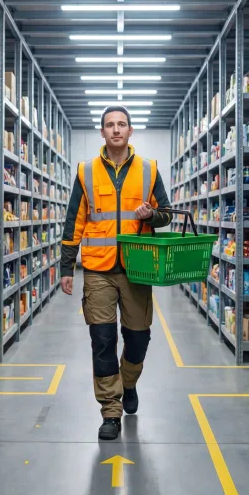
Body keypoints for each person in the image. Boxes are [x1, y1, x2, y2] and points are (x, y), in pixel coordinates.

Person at [60, 106, 172, 440]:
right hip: (97, 268)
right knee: (102, 339)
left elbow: (166, 214)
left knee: (138, 337)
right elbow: (73, 221)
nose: (116, 130)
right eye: (110, 125)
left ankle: (129, 383)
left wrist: (151, 215)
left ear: (130, 130)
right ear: (102, 132)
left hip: (138, 266)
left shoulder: (149, 170)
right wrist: (67, 266)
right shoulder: (86, 171)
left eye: (122, 124)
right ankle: (110, 410)